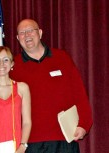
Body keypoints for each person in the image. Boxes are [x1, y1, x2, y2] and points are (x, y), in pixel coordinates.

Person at [10, 19, 93, 153]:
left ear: (40, 33)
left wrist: (84, 124)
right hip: (30, 143)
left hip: (64, 140)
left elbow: (79, 94)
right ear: (17, 38)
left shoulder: (62, 58)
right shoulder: (13, 67)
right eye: (22, 33)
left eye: (31, 30)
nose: (27, 35)